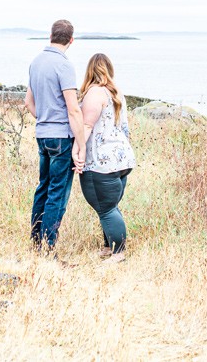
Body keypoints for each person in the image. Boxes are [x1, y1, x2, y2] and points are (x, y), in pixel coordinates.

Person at [24, 19, 86, 254]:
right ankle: (48, 247)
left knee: (43, 186)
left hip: (42, 135)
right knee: (57, 192)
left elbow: (28, 102)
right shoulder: (64, 65)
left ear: (50, 35)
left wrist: (44, 120)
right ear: (71, 40)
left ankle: (36, 241)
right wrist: (81, 145)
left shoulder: (36, 62)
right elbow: (73, 108)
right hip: (61, 137)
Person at [77, 53, 136, 263]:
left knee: (107, 208)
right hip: (122, 159)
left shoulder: (94, 93)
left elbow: (86, 126)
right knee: (109, 205)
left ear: (89, 70)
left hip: (102, 161)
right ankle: (108, 247)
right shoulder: (116, 92)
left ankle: (118, 252)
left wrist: (77, 151)